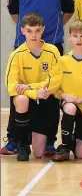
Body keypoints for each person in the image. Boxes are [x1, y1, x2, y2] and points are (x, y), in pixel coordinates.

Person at [2, 0, 74, 156]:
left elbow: (69, 10)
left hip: (52, 47)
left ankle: (50, 140)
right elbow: (14, 12)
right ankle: (14, 139)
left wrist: (49, 32)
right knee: (19, 94)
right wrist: (30, 35)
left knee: (51, 95)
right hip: (23, 47)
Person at [28, 20, 82, 162]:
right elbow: (55, 87)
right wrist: (64, 95)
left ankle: (75, 139)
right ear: (69, 38)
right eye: (75, 36)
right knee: (69, 107)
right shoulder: (62, 61)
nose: (79, 39)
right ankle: (65, 146)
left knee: (81, 155)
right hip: (69, 103)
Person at [5, 12, 61, 161]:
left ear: (43, 29)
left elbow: (55, 80)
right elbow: (11, 85)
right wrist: (33, 93)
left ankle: (48, 140)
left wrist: (30, 87)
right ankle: (22, 144)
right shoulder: (16, 55)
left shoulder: (53, 51)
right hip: (28, 98)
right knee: (21, 98)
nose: (33, 35)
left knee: (39, 154)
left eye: (37, 31)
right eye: (29, 31)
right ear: (22, 31)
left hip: (45, 97)